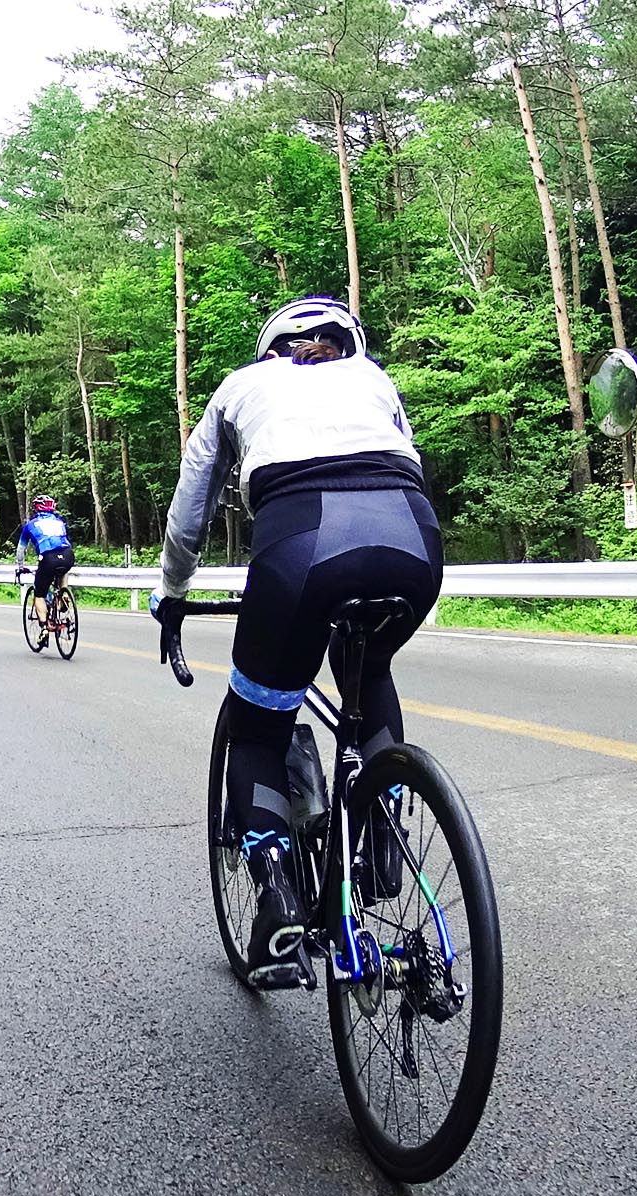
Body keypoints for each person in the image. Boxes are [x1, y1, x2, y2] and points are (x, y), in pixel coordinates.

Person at [150, 297, 442, 988]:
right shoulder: (374, 378)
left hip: (303, 542)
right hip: (412, 537)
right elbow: (412, 459)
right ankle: (379, 842)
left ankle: (277, 896)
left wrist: (173, 593)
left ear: (271, 349)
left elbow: (191, 509)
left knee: (257, 726)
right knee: (367, 675)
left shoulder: (241, 387)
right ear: (349, 343)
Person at [14, 495, 74, 648]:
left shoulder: (30, 525)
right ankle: (63, 597)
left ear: (36, 509)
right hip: (67, 555)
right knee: (62, 570)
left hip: (48, 558)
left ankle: (45, 627)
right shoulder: (60, 522)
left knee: (39, 594)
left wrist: (20, 567)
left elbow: (21, 549)